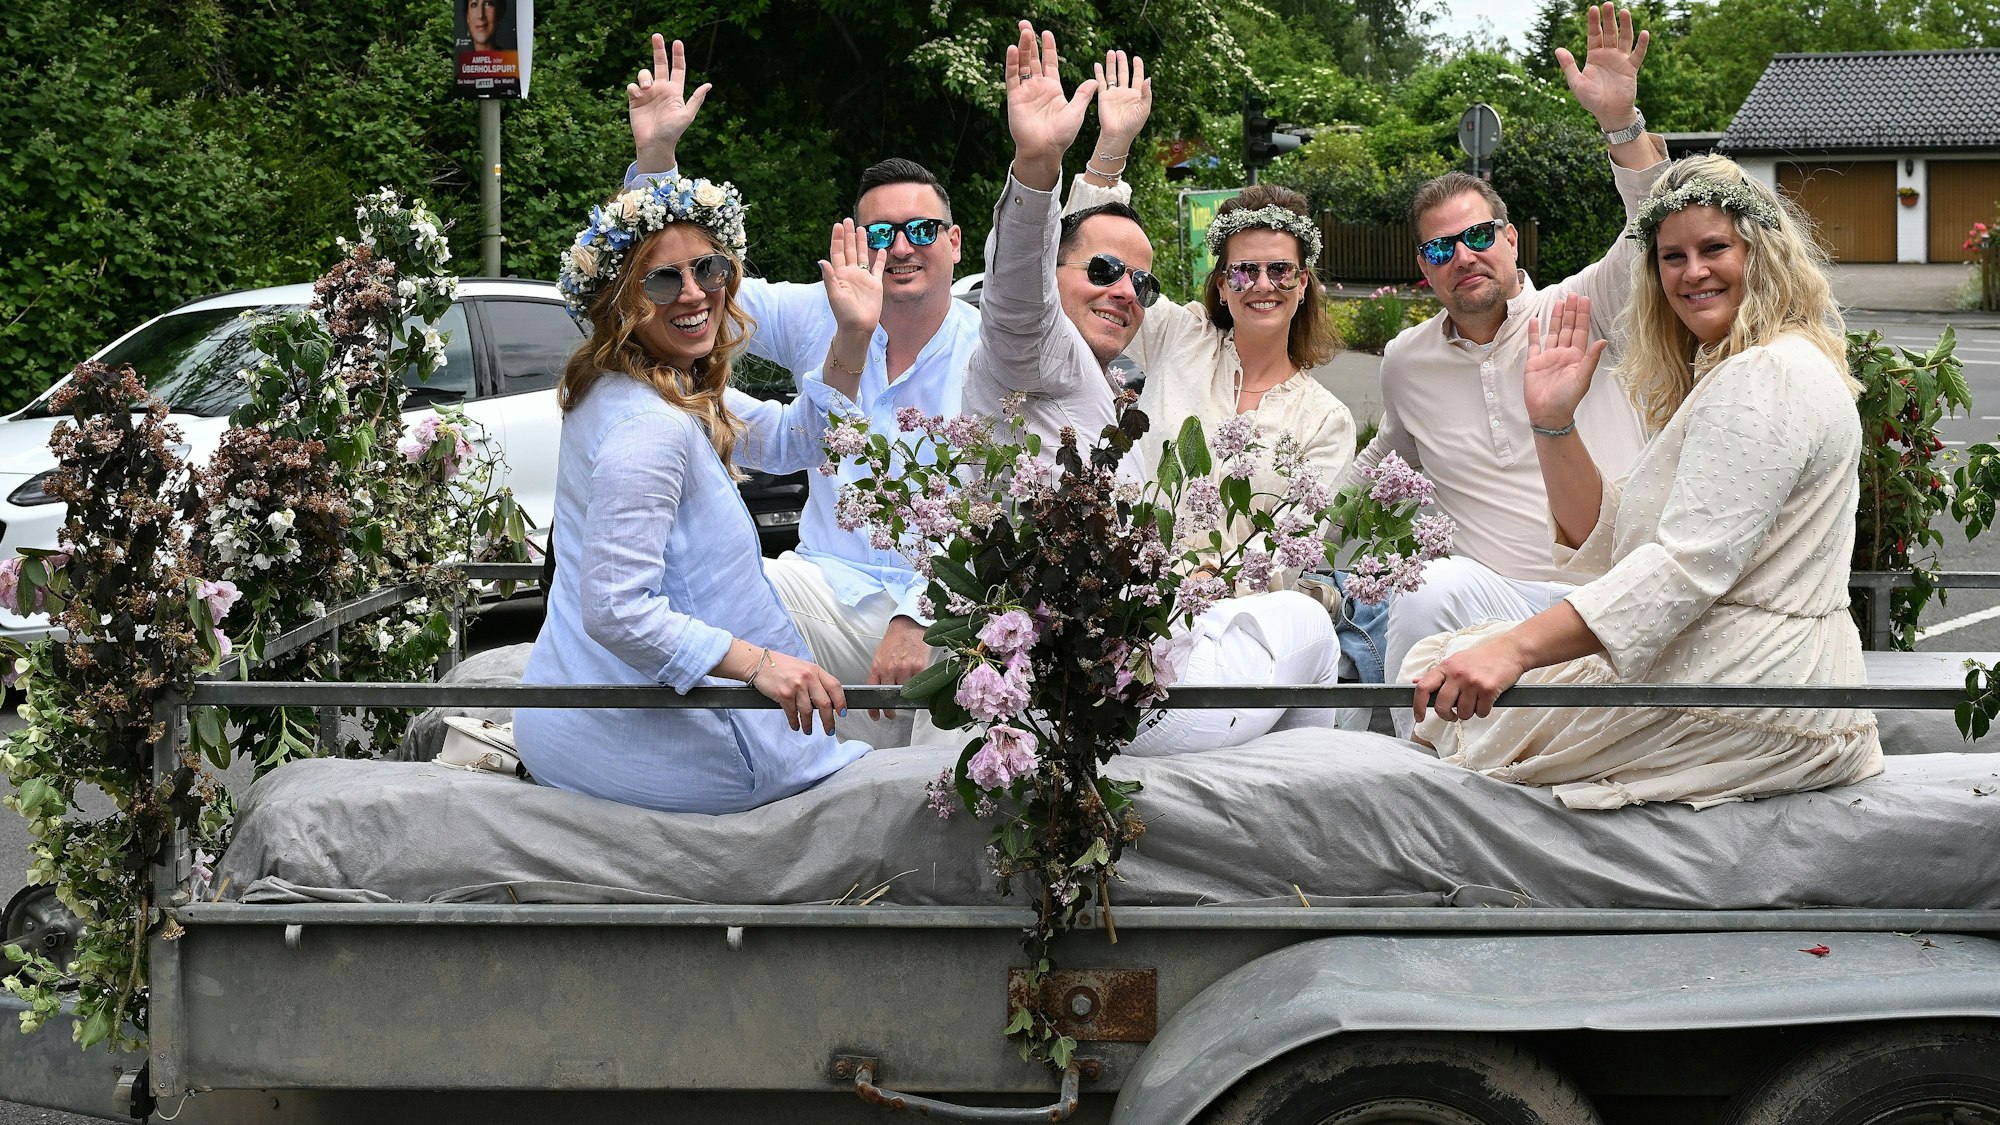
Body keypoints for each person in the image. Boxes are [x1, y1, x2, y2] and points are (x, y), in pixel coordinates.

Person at [1405, 155, 1884, 810]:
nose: (1692, 272)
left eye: (1715, 247)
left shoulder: (1768, 373)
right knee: (1436, 661)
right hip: (1741, 670)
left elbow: (1683, 568)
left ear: (1763, 251)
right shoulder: (1734, 367)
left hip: (1758, 689)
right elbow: (1617, 534)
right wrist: (1551, 424)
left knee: (1461, 704)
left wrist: (1514, 649)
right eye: (1671, 257)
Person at [963, 21, 1343, 754]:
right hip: (1111, 643)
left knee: (1304, 622)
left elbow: (1296, 549)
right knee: (1312, 634)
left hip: (1198, 616)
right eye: (1243, 269)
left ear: (1305, 284)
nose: (1261, 284)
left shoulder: (1324, 416)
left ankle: (1290, 805)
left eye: (1280, 271)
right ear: (1220, 281)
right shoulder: (1169, 338)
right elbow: (1069, 266)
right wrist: (1088, 153)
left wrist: (1203, 582)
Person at [624, 36, 977, 740]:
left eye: (921, 229)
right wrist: (658, 162)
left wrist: (919, 610)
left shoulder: (991, 350)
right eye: (883, 232)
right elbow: (691, 294)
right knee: (694, 593)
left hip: (941, 601)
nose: (901, 248)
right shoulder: (823, 310)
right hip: (819, 588)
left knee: (981, 677)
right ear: (857, 240)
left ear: (956, 241)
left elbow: (997, 514)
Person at [515, 172, 879, 814]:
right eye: (662, 281)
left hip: (580, 720)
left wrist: (851, 334)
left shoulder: (640, 384)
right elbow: (616, 609)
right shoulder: (650, 424)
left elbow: (796, 440)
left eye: (707, 269)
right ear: (621, 302)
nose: (693, 293)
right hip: (675, 749)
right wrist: (761, 664)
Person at [1355, 3, 1668, 736]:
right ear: (1422, 270)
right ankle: (1416, 772)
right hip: (1495, 596)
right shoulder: (1407, 361)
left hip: (1606, 595)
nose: (1462, 256)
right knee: (1429, 585)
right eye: (1440, 249)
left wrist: (1623, 126)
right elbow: (1376, 466)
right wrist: (1278, 540)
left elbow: (1656, 229)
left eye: (1477, 236)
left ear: (1511, 239)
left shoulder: (1584, 305)